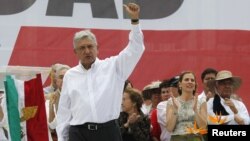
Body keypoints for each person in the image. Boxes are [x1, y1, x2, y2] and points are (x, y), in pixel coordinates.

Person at [56, 3, 145, 141]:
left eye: (90, 46)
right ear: (75, 52)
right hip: (78, 133)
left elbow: (136, 48)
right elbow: (64, 111)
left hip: (108, 132)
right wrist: (63, 138)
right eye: (82, 48)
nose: (87, 51)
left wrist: (134, 21)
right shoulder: (70, 75)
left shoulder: (114, 67)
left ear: (97, 48)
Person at [166, 71, 207, 141]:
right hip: (177, 138)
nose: (190, 82)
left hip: (195, 138)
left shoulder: (201, 101)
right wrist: (175, 110)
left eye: (192, 80)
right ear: (180, 84)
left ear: (195, 85)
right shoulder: (171, 102)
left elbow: (203, 127)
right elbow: (169, 128)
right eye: (186, 79)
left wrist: (196, 110)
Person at [156, 76, 179, 141]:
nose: (166, 94)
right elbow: (170, 123)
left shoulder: (183, 101)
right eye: (163, 92)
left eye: (167, 91)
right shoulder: (161, 106)